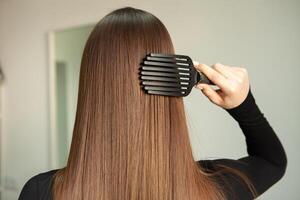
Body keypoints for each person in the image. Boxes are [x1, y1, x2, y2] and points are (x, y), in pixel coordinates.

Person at [18, 6, 287, 200]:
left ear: (92, 88)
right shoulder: (215, 188)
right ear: (170, 82)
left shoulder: (40, 192)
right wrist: (243, 104)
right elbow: (272, 161)